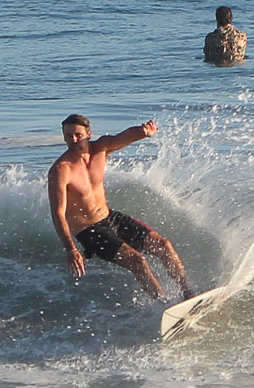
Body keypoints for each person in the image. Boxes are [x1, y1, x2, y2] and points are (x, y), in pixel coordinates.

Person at [47, 114, 194, 302]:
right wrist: (70, 249)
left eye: (77, 134)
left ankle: (188, 293)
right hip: (88, 230)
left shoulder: (101, 149)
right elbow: (58, 213)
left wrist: (143, 133)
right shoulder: (61, 170)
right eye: (68, 136)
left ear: (88, 134)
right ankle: (165, 304)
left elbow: (124, 137)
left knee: (164, 245)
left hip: (110, 217)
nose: (73, 140)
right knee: (138, 261)